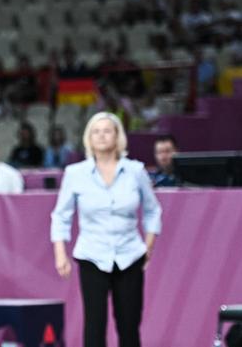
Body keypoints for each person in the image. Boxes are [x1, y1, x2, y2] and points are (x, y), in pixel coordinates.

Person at [51, 112, 161, 347]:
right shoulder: (75, 173)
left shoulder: (135, 170)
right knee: (94, 324)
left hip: (130, 254)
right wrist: (60, 253)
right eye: (96, 131)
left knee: (129, 325)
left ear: (118, 136)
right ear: (88, 138)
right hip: (92, 255)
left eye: (107, 130)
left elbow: (152, 210)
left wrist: (149, 245)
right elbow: (61, 216)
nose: (101, 136)